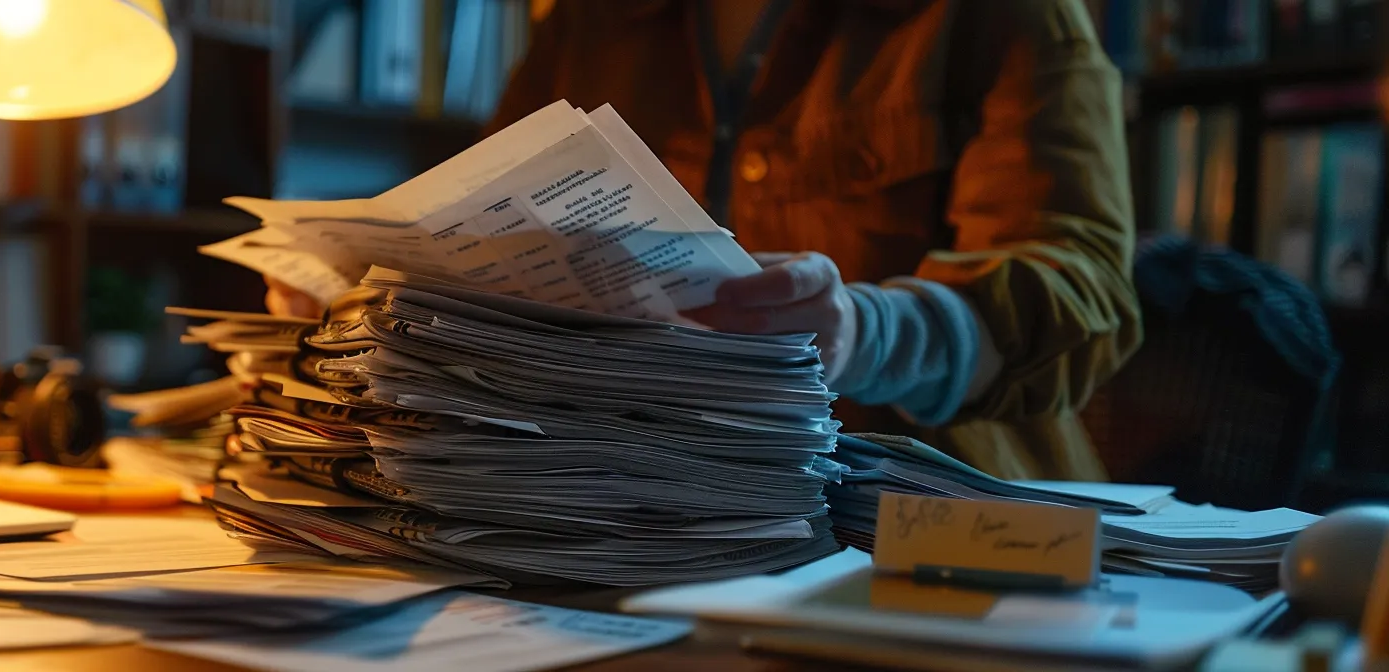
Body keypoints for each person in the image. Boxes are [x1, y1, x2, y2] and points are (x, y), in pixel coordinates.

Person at [266, 0, 1142, 480]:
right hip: (629, 503)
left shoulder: (1003, 17)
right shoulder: (585, 24)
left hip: (910, 518)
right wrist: (366, 295)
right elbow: (488, 242)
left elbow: (1087, 295)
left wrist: (863, 332)